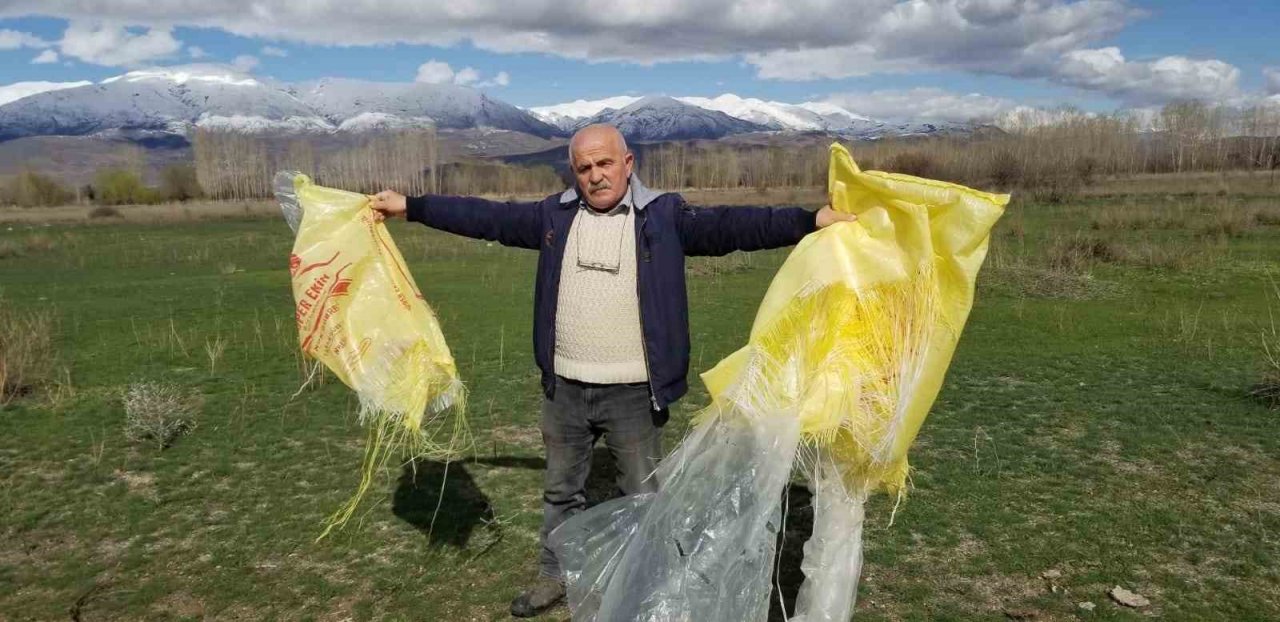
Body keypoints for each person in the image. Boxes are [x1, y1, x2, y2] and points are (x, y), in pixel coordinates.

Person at [371, 124, 855, 618]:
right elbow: (485, 216)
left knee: (643, 495)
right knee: (561, 492)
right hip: (565, 390)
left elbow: (736, 225)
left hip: (634, 394)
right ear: (574, 172)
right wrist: (412, 207)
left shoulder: (664, 217)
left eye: (605, 164)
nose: (596, 177)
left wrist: (811, 218)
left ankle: (642, 586)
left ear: (628, 164)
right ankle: (555, 577)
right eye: (584, 168)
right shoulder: (553, 217)